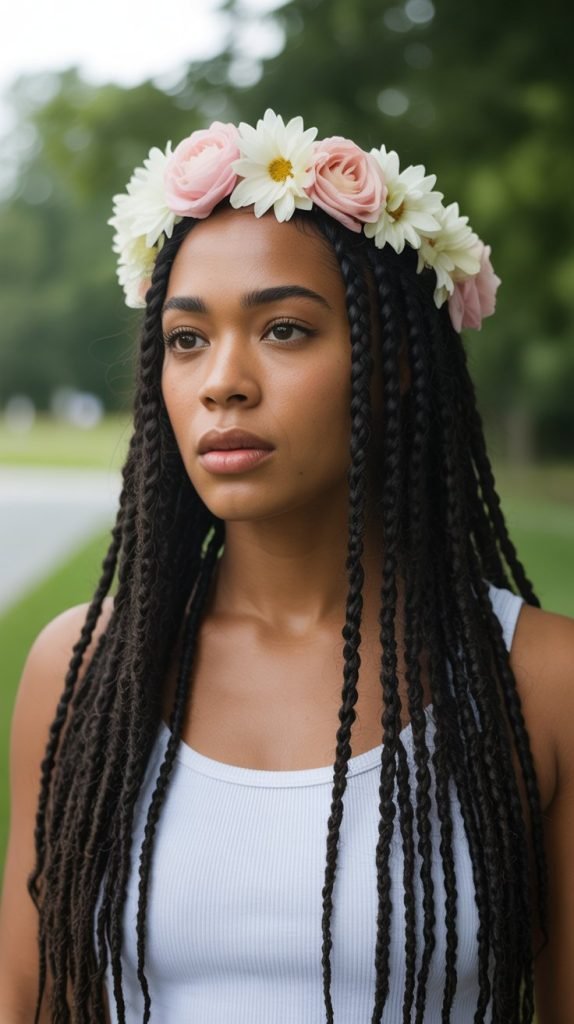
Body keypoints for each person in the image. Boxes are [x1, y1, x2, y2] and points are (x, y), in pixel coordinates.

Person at [0, 109, 572, 1024]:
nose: (223, 379)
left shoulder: (541, 682)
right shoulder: (82, 671)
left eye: (285, 331)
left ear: (395, 368)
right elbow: (23, 996)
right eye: (188, 339)